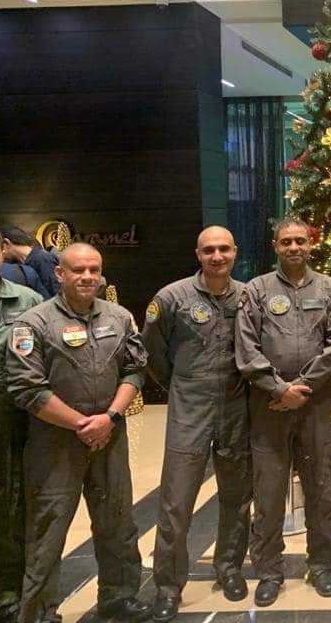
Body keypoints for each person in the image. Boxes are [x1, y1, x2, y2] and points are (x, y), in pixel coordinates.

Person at [6, 243, 148, 623]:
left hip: (109, 438)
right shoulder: (33, 324)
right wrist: (81, 424)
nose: (87, 277)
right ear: (59, 274)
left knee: (117, 522)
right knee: (47, 530)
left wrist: (110, 418)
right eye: (78, 270)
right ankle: (40, 612)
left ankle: (119, 598)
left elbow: (134, 370)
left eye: (93, 270)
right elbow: (27, 389)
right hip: (55, 444)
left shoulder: (119, 317)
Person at [235, 216, 331, 606]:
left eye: (300, 241)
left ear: (310, 244)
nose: (294, 248)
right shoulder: (256, 290)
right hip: (268, 404)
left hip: (314, 404)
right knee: (268, 493)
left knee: (321, 487)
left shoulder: (329, 288)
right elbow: (246, 347)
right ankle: (269, 570)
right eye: (286, 242)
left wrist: (303, 386)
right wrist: (279, 388)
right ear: (275, 246)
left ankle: (322, 566)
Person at [142, 226, 252, 621]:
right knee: (177, 501)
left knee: (237, 496)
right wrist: (180, 384)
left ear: (234, 252)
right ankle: (168, 586)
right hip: (190, 409)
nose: (217, 256)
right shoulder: (171, 298)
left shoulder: (248, 296)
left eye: (224, 249)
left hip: (236, 406)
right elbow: (152, 352)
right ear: (198, 254)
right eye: (209, 250)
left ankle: (230, 568)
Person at [0, 224, 42, 622]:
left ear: (3, 253)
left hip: (11, 433)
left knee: (10, 524)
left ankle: (6, 603)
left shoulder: (27, 301)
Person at [1, 226, 58, 297]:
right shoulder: (22, 264)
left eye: (0, 248)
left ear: (6, 243)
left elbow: (55, 294)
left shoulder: (42, 259)